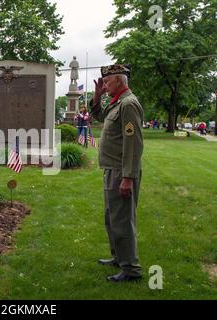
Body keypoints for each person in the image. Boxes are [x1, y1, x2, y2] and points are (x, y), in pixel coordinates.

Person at [89, 64, 144, 282]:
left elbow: (133, 144)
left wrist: (128, 177)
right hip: (112, 170)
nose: (104, 85)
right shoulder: (117, 103)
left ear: (119, 81)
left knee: (122, 221)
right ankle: (118, 258)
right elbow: (100, 116)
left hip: (122, 172)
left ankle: (131, 269)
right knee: (112, 218)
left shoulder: (129, 104)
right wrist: (97, 95)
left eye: (107, 82)